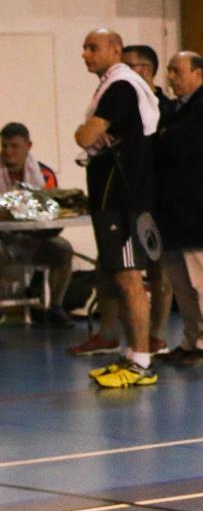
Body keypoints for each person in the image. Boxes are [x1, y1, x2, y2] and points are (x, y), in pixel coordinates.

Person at [71, 28, 162, 388]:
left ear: (115, 49)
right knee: (118, 277)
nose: (85, 54)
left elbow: (84, 136)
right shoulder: (111, 86)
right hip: (110, 197)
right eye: (84, 47)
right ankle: (130, 353)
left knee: (129, 278)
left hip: (123, 199)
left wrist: (87, 131)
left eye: (93, 47)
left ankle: (141, 361)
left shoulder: (121, 86)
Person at [150, 52, 203, 367]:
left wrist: (160, 139)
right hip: (174, 211)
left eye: (177, 71)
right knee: (182, 284)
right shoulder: (177, 108)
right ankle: (191, 340)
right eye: (169, 70)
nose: (171, 77)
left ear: (198, 73)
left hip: (198, 211)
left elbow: (172, 147)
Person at [0, 121, 76, 327]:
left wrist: (11, 210)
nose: (8, 151)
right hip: (3, 240)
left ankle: (55, 307)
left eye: (14, 146)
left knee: (63, 250)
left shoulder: (45, 175)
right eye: (4, 146)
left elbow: (52, 212)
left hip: (35, 239)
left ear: (28, 146)